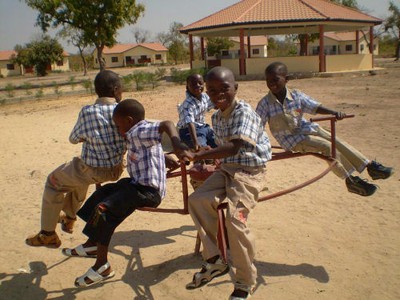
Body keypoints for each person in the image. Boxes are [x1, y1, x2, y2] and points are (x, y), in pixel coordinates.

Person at [61, 98, 188, 287]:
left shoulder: (139, 130)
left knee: (105, 209)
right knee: (102, 194)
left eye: (119, 127)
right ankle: (92, 244)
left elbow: (167, 124)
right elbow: (148, 147)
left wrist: (177, 145)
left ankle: (102, 266)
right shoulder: (135, 133)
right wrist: (163, 156)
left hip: (148, 192)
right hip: (135, 184)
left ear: (129, 121)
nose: (119, 132)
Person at [182, 67, 272, 300]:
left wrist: (198, 157)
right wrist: (203, 153)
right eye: (212, 90)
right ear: (207, 93)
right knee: (197, 200)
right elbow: (222, 151)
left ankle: (244, 282)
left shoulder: (244, 112)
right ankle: (217, 259)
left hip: (249, 172)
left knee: (235, 218)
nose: (218, 94)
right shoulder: (215, 116)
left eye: (224, 89)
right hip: (229, 169)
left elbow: (234, 147)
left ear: (235, 88)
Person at [256, 61, 393, 197]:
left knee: (336, 141)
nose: (271, 84)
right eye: (268, 80)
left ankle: (369, 166)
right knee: (327, 146)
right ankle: (350, 180)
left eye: (275, 79)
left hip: (308, 130)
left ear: (287, 80)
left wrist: (334, 112)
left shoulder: (297, 96)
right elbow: (257, 126)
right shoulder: (265, 104)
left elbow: (315, 107)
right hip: (292, 140)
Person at [26, 70, 126, 248]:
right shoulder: (124, 109)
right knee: (78, 172)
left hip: (92, 169)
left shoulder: (88, 112)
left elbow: (73, 138)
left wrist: (87, 137)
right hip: (116, 168)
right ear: (116, 89)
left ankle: (48, 233)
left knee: (53, 181)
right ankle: (70, 217)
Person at [177, 73, 217, 150]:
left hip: (204, 127)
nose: (198, 85)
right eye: (193, 84)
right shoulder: (188, 104)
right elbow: (190, 123)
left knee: (218, 143)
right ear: (187, 87)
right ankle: (200, 160)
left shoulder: (205, 97)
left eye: (200, 83)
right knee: (202, 149)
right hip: (189, 132)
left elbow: (215, 106)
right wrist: (196, 143)